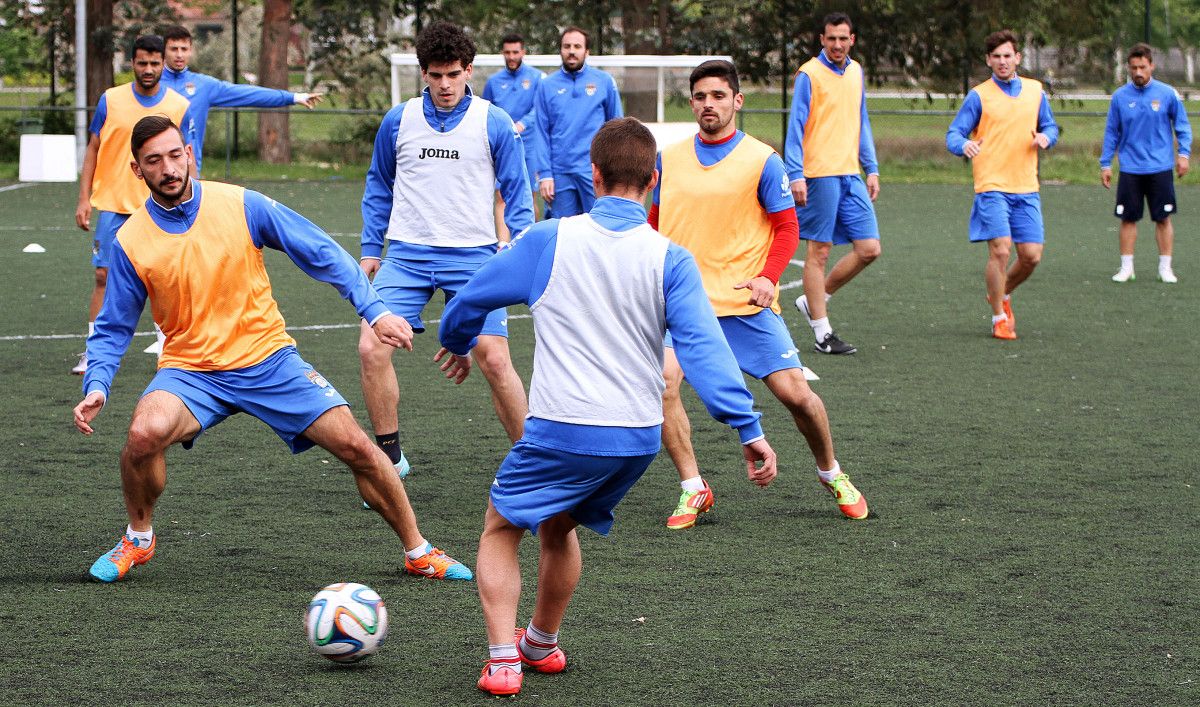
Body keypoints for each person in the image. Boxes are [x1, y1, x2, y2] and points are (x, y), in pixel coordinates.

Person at [435, 117, 777, 697]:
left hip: (562, 428)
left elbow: (471, 297)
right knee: (560, 522)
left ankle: (501, 661)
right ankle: (540, 644)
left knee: (500, 526)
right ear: (655, 179)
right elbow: (705, 349)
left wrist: (457, 337)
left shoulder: (549, 239)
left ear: (592, 175)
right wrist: (747, 428)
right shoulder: (671, 258)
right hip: (636, 441)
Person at [73, 115, 471, 583]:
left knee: (359, 447)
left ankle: (418, 549)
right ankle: (139, 537)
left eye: (175, 155)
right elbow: (114, 326)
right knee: (142, 437)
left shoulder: (240, 204)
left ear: (189, 154)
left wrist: (375, 309)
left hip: (268, 359)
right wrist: (98, 384)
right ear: (138, 171)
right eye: (154, 161)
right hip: (191, 370)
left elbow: (319, 250)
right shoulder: (130, 241)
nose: (169, 168)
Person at [651, 60, 867, 530]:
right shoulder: (666, 159)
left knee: (797, 396)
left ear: (737, 101)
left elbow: (787, 227)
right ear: (691, 103)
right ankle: (694, 487)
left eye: (718, 96)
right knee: (663, 385)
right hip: (684, 307)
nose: (709, 104)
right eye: (701, 97)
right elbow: (650, 225)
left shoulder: (762, 159)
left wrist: (770, 277)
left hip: (745, 304)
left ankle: (831, 472)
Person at [359, 21, 533, 481]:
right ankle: (390, 459)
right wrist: (370, 247)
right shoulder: (398, 120)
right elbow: (379, 184)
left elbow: (518, 193)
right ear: (423, 74)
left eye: (453, 75)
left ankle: (534, 463)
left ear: (468, 71)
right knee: (370, 347)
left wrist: (521, 247)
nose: (444, 85)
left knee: (494, 358)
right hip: (407, 256)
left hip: (474, 257)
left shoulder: (493, 121)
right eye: (435, 76)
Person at [73, 35, 192, 375]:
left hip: (161, 206)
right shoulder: (110, 100)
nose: (149, 69)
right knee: (103, 276)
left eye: (155, 63)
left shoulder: (178, 105)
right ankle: (93, 353)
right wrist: (84, 198)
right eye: (142, 62)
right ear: (133, 63)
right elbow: (94, 147)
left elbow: (187, 158)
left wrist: (194, 198)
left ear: (163, 64)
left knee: (166, 277)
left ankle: (171, 351)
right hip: (113, 203)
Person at [946, 29, 1059, 340]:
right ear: (988, 60)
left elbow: (1049, 124)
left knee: (1032, 256)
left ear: (1017, 58)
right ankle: (998, 317)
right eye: (996, 57)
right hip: (991, 185)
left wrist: (1046, 136)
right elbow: (954, 134)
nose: (1002, 61)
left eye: (1007, 56)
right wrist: (963, 146)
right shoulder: (979, 95)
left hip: (1026, 186)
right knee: (1000, 250)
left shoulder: (1036, 91)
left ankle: (1001, 293)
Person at [785, 12, 882, 356]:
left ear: (852, 40)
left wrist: (871, 167)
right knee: (819, 251)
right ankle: (822, 333)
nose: (837, 44)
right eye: (831, 39)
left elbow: (861, 120)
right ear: (822, 40)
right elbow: (795, 128)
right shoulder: (809, 75)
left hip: (849, 173)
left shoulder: (856, 72)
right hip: (817, 174)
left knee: (869, 248)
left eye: (843, 38)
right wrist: (795, 173)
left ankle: (815, 299)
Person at [161, 25, 323, 176]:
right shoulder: (152, 85)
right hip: (155, 168)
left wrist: (293, 97)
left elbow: (247, 94)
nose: (179, 54)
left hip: (189, 171)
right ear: (164, 51)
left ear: (191, 51)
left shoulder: (203, 86)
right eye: (174, 49)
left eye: (184, 49)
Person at [1101, 43, 1191, 284]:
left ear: (1152, 66)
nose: (1138, 72)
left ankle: (1165, 268)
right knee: (1128, 218)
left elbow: (1182, 126)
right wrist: (1105, 163)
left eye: (1142, 67)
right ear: (1128, 68)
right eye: (1133, 68)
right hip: (1130, 168)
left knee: (1163, 218)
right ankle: (1126, 268)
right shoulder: (1120, 97)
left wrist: (1184, 155)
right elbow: (1112, 132)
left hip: (1160, 167)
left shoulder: (1167, 94)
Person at [533, 26, 623, 217]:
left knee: (599, 228)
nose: (572, 51)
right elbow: (540, 132)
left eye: (577, 46)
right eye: (567, 46)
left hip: (595, 171)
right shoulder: (546, 86)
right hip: (560, 173)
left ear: (587, 51)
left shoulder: (604, 81)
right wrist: (545, 174)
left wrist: (613, 169)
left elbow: (617, 128)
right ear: (560, 50)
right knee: (563, 232)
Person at [483, 33, 545, 230]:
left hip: (529, 145)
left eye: (515, 52)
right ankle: (503, 245)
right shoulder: (493, 82)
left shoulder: (536, 77)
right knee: (501, 195)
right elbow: (486, 111)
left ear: (523, 52)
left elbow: (540, 109)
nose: (511, 56)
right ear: (503, 53)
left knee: (528, 196)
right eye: (507, 52)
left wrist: (522, 124)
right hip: (503, 145)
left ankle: (529, 238)